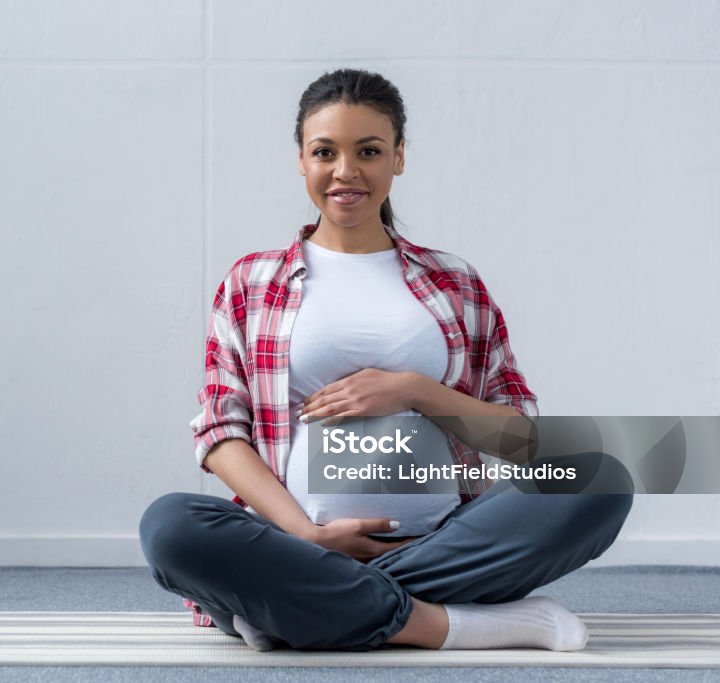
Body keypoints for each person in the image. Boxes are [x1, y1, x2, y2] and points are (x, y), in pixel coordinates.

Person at [139, 68, 633, 652]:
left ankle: (294, 608)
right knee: (170, 527)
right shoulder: (252, 282)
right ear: (301, 160)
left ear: (398, 158)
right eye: (325, 152)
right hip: (291, 540)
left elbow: (521, 441)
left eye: (368, 151)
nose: (346, 171)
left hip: (447, 538)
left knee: (598, 478)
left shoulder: (455, 283)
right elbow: (221, 432)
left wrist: (413, 390)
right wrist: (307, 536)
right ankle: (445, 622)